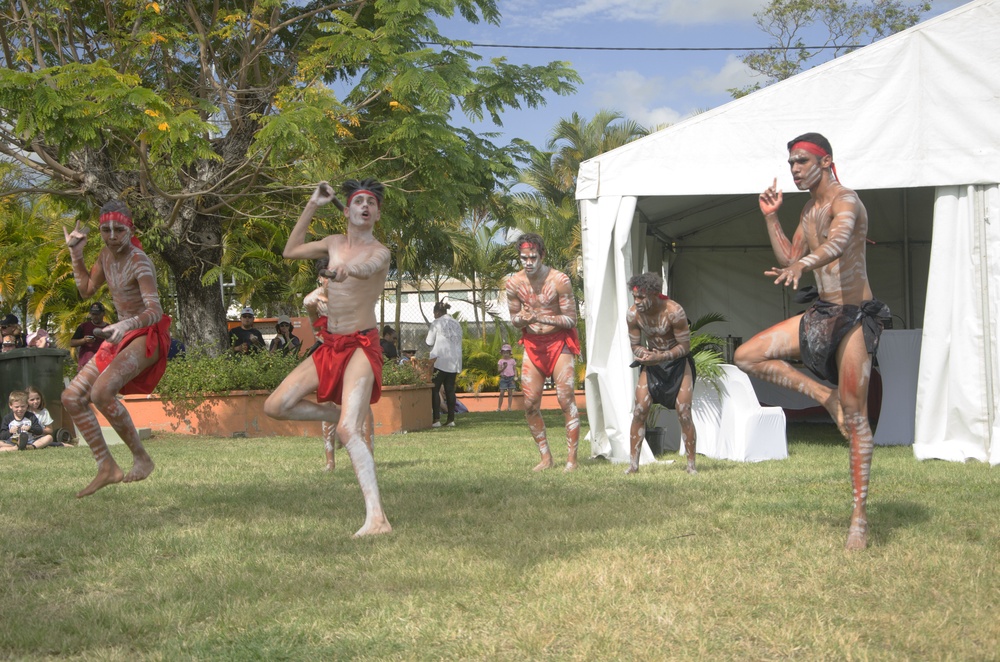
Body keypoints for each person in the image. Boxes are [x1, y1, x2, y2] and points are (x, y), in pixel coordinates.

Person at [734, 132, 889, 551]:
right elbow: (789, 257)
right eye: (791, 163)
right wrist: (770, 217)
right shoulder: (807, 209)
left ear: (825, 161)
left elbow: (838, 243)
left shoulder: (846, 200)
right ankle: (825, 395)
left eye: (801, 161)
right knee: (748, 355)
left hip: (854, 315)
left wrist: (804, 262)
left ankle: (859, 515)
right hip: (822, 311)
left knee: (856, 417)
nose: (795, 169)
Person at [263, 179, 392, 537]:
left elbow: (366, 268)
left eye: (371, 203)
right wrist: (312, 205)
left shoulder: (380, 251)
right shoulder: (333, 242)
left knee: (350, 430)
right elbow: (290, 250)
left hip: (362, 347)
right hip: (331, 344)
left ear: (377, 213)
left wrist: (345, 270)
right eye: (359, 201)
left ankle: (377, 519)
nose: (365, 206)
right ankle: (336, 415)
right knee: (276, 405)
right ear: (348, 210)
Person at [61, 200, 171, 497]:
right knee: (71, 397)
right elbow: (86, 290)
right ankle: (107, 466)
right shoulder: (105, 257)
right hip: (121, 334)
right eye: (105, 230)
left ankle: (142, 458)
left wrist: (125, 325)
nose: (111, 235)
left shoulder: (140, 261)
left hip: (146, 335)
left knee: (100, 392)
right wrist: (75, 253)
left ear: (129, 229)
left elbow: (155, 311)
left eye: (118, 230)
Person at [506, 232, 581, 472]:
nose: (528, 263)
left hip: (560, 343)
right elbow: (514, 319)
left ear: (542, 255)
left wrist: (540, 316)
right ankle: (546, 458)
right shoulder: (513, 283)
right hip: (533, 345)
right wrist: (523, 319)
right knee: (529, 403)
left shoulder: (559, 280)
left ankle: (572, 459)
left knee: (565, 398)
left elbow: (571, 319)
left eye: (532, 257)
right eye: (523, 258)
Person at [625, 272, 697, 475]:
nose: (637, 302)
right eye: (634, 297)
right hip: (653, 365)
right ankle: (633, 466)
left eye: (641, 297)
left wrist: (662, 357)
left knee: (684, 412)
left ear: (655, 294)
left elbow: (685, 346)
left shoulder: (674, 312)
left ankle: (691, 466)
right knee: (639, 410)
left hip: (677, 365)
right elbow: (635, 345)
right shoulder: (633, 315)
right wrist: (644, 355)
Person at [425, 301, 463, 428]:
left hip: (440, 361)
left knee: (435, 389)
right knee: (450, 389)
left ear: (437, 312)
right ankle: (451, 419)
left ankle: (436, 420)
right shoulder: (456, 323)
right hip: (455, 361)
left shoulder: (436, 322)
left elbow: (429, 342)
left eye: (434, 313)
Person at [70, 303, 109, 369]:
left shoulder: (109, 328)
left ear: (103, 314)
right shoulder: (83, 326)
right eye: (93, 314)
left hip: (104, 364)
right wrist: (84, 340)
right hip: (85, 365)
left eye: (98, 314)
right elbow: (72, 343)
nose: (95, 317)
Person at [496, 343, 517, 412]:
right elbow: (499, 371)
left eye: (507, 353)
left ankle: (509, 407)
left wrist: (516, 376)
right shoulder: (501, 361)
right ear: (502, 353)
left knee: (510, 393)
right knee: (502, 392)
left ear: (510, 353)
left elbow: (514, 369)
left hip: (511, 378)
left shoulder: (512, 361)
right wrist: (503, 368)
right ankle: (499, 407)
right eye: (504, 353)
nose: (506, 354)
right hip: (503, 378)